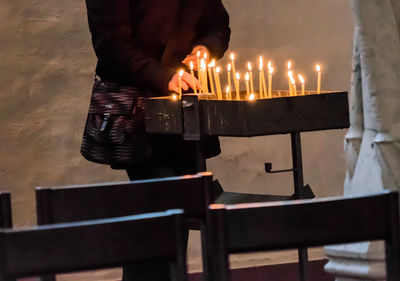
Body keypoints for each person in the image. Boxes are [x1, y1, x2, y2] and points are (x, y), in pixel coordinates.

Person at [84, 0, 230, 280]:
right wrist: (165, 77)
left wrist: (204, 49)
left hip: (186, 114)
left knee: (179, 214)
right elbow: (112, 46)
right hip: (136, 114)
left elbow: (217, 25)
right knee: (159, 212)